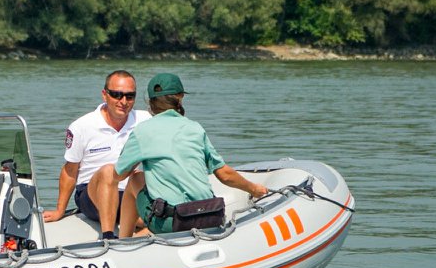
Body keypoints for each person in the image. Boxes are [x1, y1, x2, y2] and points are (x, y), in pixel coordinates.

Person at [111, 72, 270, 236]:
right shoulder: (195, 128)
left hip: (174, 223)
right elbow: (225, 174)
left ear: (150, 103)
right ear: (180, 98)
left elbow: (118, 175)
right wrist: (254, 189)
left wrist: (132, 167)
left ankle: (124, 241)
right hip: (210, 216)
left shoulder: (142, 131)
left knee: (135, 179)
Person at [41, 70, 144, 240]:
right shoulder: (82, 126)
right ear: (105, 95)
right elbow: (70, 170)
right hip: (91, 193)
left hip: (129, 192)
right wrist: (60, 210)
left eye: (129, 96)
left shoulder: (145, 120)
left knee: (141, 177)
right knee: (109, 171)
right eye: (117, 95)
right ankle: (108, 236)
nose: (123, 101)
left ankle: (145, 234)